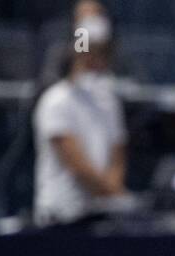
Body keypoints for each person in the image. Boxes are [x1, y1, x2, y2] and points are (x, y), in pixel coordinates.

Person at [32, 6, 129, 227]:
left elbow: (117, 155)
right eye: (91, 51)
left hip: (102, 214)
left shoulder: (109, 101)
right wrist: (116, 196)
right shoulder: (56, 101)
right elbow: (78, 166)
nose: (97, 59)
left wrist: (113, 198)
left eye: (103, 51)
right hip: (61, 219)